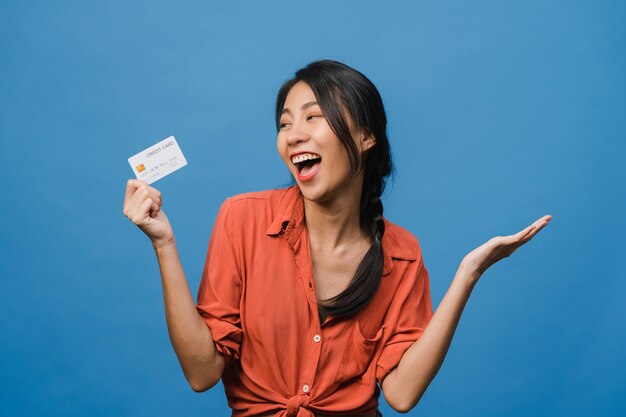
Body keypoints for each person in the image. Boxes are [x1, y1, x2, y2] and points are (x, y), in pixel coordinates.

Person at [122, 60, 551, 417]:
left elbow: (401, 394)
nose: (293, 135)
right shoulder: (242, 219)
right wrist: (164, 244)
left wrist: (468, 274)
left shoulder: (401, 256)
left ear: (365, 137)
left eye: (314, 116)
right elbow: (202, 374)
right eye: (285, 123)